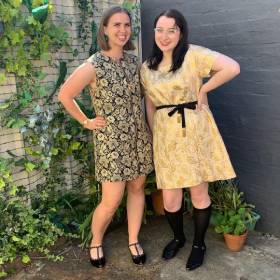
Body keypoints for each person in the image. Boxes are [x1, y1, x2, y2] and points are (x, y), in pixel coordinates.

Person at [140, 9, 240, 271]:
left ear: (180, 32)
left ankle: (198, 244)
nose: (164, 36)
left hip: (194, 133)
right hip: (166, 137)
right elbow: (150, 105)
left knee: (198, 194)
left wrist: (204, 89)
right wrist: (154, 135)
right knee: (171, 200)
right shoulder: (147, 67)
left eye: (171, 30)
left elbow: (232, 67)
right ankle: (178, 237)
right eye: (159, 30)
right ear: (154, 33)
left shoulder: (194, 55)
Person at [58, 6, 153, 268]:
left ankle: (133, 239)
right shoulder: (94, 64)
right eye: (116, 25)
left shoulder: (135, 62)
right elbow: (65, 95)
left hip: (138, 138)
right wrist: (86, 121)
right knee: (111, 200)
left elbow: (146, 99)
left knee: (136, 189)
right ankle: (96, 241)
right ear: (105, 29)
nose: (122, 30)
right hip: (111, 142)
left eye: (126, 25)